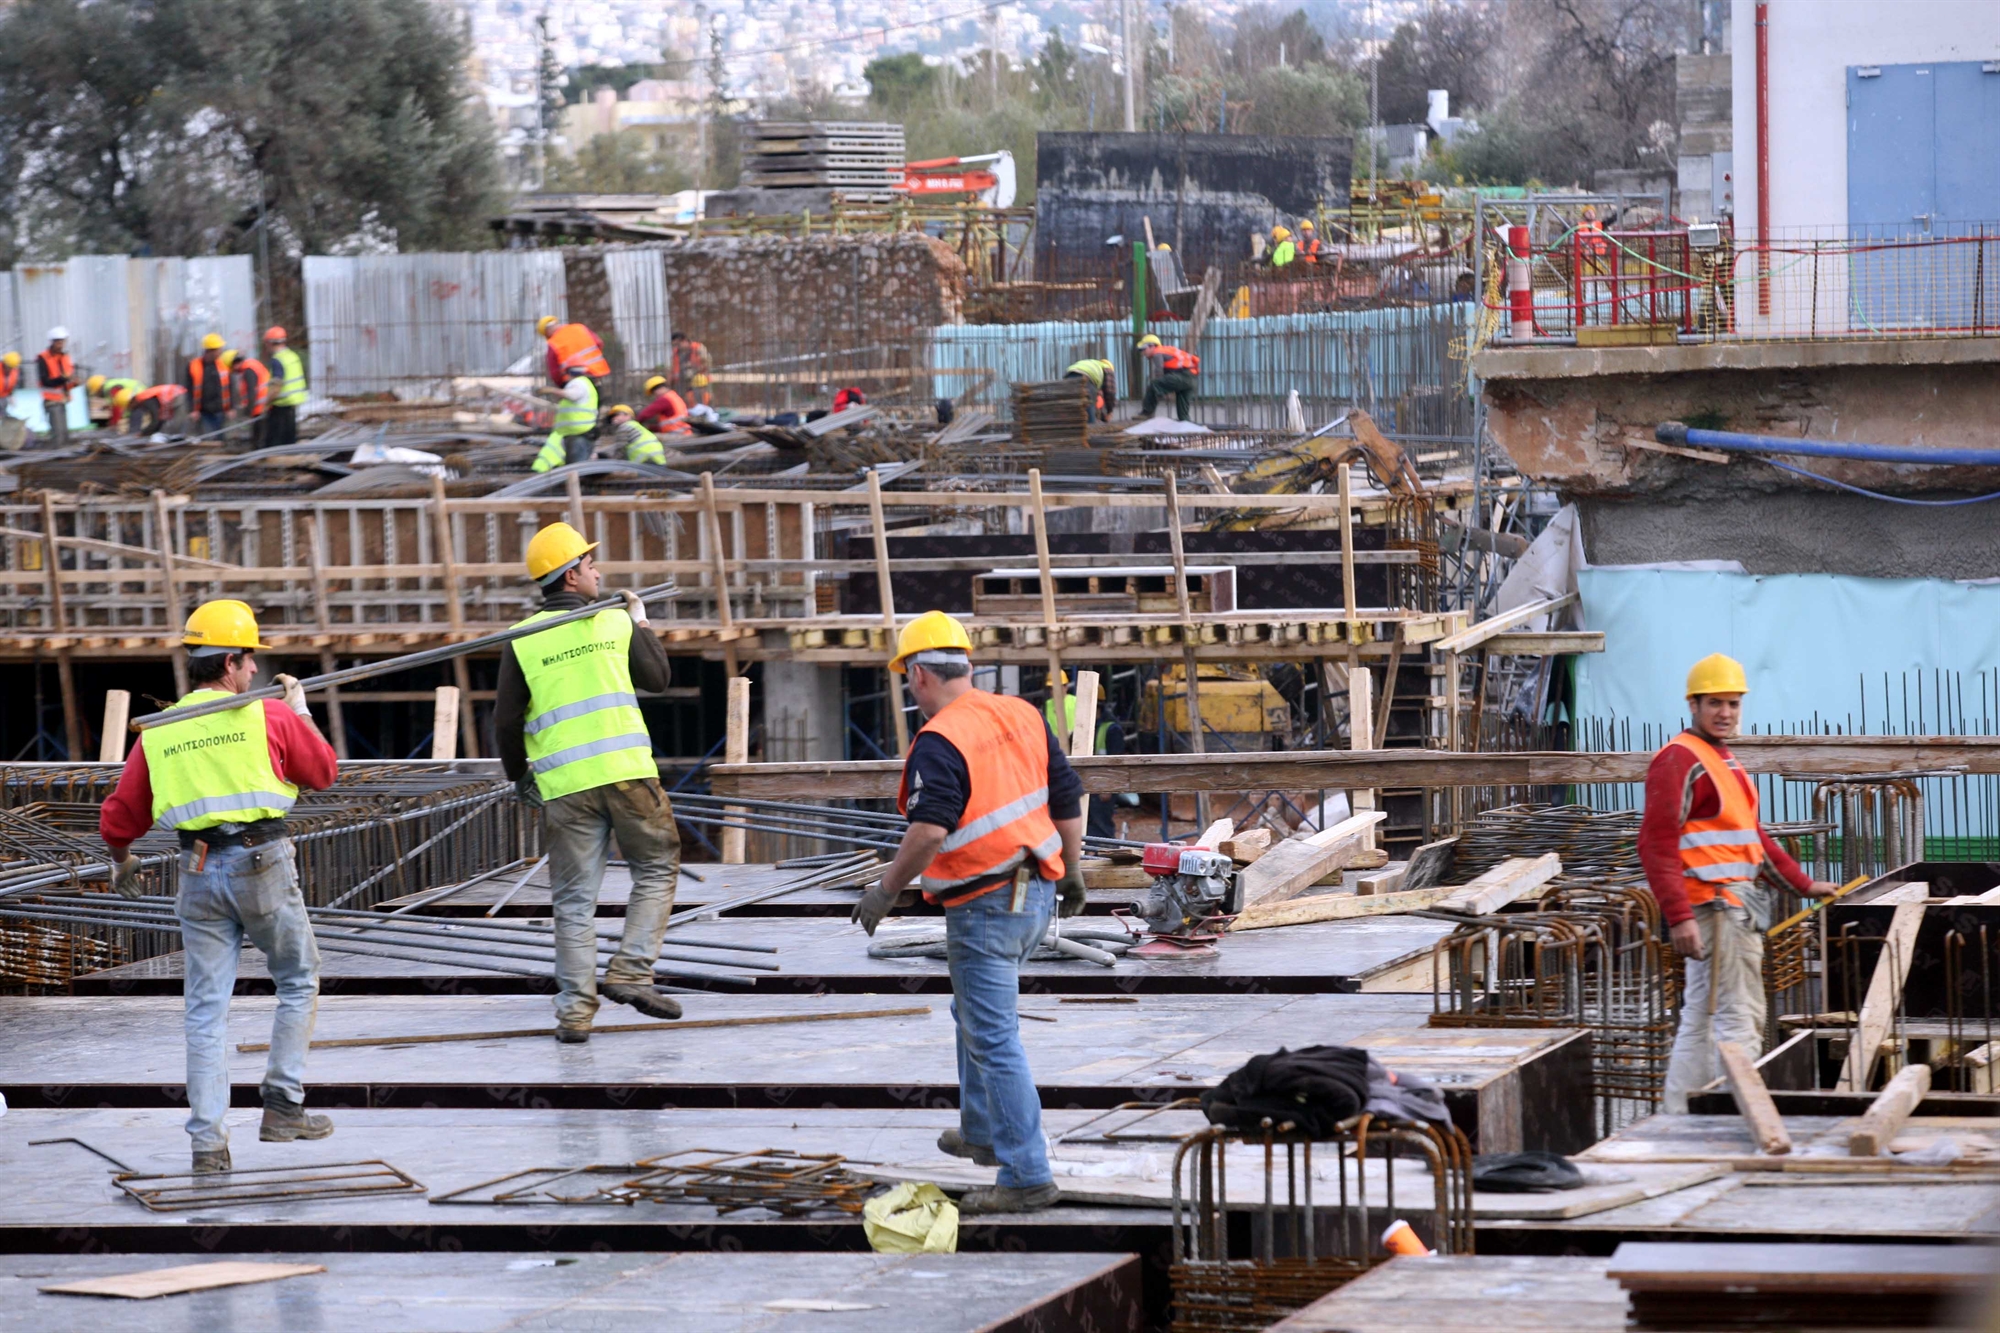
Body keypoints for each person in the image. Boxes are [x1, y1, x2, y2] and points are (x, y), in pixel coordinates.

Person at [851, 610, 1085, 1215]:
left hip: (985, 906)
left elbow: (929, 830)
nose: (910, 688)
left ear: (922, 674)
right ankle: (983, 1131)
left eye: (908, 678)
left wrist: (884, 890)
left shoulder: (940, 738)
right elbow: (1067, 799)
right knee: (975, 1014)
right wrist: (1076, 869)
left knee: (994, 1037)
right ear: (968, 666)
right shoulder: (1022, 713)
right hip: (1035, 893)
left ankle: (1026, 1174)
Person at [98, 599, 340, 1174]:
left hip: (197, 871)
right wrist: (301, 712)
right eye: (250, 660)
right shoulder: (267, 715)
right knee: (300, 979)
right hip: (262, 862)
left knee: (205, 1010)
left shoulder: (159, 729)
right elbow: (324, 773)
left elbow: (120, 818)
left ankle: (207, 1143)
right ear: (230, 661)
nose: (255, 672)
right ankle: (283, 1106)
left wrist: (123, 862)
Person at [495, 523, 682, 1042]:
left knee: (574, 903)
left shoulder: (523, 639)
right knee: (657, 867)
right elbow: (659, 680)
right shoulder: (615, 622)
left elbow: (506, 722)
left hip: (564, 786)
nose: (599, 571)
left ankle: (575, 1013)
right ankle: (631, 971)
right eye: (590, 564)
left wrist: (518, 776)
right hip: (627, 775)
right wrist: (641, 622)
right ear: (572, 575)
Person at [1643, 654, 1839, 1113]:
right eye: (1715, 702)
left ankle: (1679, 1117)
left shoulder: (1722, 760)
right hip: (1716, 910)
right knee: (1740, 1018)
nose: (1725, 712)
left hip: (1731, 906)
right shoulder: (1680, 760)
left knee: (1701, 1016)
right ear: (1693, 704)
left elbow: (1752, 838)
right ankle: (1742, 1122)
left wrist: (1803, 884)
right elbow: (1656, 844)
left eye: (1733, 703)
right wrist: (1679, 916)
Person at [1043, 671, 1130, 841]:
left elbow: (1117, 761)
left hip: (1102, 786)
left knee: (1101, 826)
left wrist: (1108, 788)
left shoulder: (1111, 729)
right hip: (1085, 782)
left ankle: (1103, 860)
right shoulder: (1084, 728)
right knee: (1086, 826)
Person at [531, 370, 598, 473]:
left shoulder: (579, 382)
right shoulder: (583, 384)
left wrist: (551, 390)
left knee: (576, 470)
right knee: (572, 467)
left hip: (579, 434)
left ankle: (576, 484)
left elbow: (572, 394)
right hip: (572, 434)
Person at [1136, 333, 1200, 422]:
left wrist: (1159, 390)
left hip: (1183, 376)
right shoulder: (1166, 351)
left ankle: (1147, 413)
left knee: (1154, 385)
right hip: (1191, 379)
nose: (1143, 353)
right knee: (1183, 415)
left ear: (1152, 346)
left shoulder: (1157, 353)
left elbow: (1159, 372)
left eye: (1144, 349)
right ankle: (1188, 428)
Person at [538, 315, 611, 389]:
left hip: (573, 380)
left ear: (547, 332)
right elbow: (599, 343)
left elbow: (554, 372)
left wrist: (561, 385)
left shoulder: (553, 343)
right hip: (595, 373)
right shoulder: (580, 328)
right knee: (597, 397)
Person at [265, 327, 308, 448]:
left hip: (281, 404)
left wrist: (267, 403)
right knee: (290, 438)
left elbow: (277, 385)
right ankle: (290, 459)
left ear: (270, 343)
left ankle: (276, 462)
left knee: (276, 440)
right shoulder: (292, 356)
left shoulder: (278, 359)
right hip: (293, 401)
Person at [223, 349, 273, 448]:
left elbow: (252, 392)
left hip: (260, 408)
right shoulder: (252, 364)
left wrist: (248, 411)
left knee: (258, 439)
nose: (234, 372)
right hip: (265, 406)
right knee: (261, 437)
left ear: (234, 363)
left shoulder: (248, 371)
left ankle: (259, 457)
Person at [36, 327, 76, 448]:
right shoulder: (43, 358)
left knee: (64, 433)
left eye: (62, 341)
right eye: (58, 341)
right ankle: (58, 455)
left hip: (62, 399)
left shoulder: (64, 357)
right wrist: (62, 379)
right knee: (58, 433)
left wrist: (73, 383)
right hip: (51, 400)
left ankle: (65, 456)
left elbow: (68, 378)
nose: (61, 344)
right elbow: (45, 381)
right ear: (52, 342)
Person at [187, 333, 232, 434]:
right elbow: (189, 390)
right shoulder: (194, 366)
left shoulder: (223, 365)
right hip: (203, 413)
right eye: (219, 349)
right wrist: (192, 410)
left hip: (220, 411)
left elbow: (230, 387)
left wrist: (230, 408)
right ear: (211, 351)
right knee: (208, 440)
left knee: (220, 440)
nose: (221, 351)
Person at [600, 404, 668, 465]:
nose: (614, 418)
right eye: (612, 417)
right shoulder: (636, 426)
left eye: (616, 415)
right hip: (657, 459)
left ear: (628, 415)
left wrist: (611, 464)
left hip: (646, 460)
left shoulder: (624, 427)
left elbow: (620, 449)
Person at [123, 383, 189, 437]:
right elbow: (159, 419)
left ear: (131, 402)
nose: (131, 409)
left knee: (178, 423)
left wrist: (143, 433)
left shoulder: (147, 400)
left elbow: (156, 420)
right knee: (172, 423)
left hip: (177, 395)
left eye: (130, 407)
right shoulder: (146, 397)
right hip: (178, 392)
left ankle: (183, 437)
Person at [669, 330, 712, 408]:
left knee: (701, 400)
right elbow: (672, 368)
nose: (677, 347)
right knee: (685, 402)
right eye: (675, 345)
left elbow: (706, 362)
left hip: (699, 381)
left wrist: (693, 371)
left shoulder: (698, 348)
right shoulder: (676, 353)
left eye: (678, 344)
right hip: (682, 383)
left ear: (685, 340)